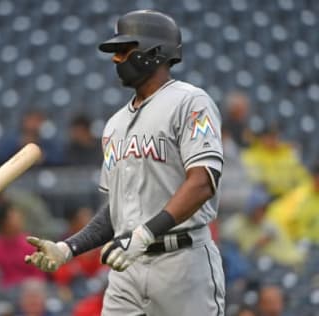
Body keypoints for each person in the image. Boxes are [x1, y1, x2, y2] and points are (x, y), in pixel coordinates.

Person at [25, 10, 225, 315]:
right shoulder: (114, 125)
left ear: (154, 52)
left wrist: (144, 234)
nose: (116, 59)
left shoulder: (190, 102)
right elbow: (117, 211)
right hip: (126, 266)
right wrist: (69, 248)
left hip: (182, 264)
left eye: (124, 50)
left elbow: (202, 182)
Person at [221, 187, 304, 267]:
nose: (262, 213)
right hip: (245, 269)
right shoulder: (234, 227)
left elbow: (289, 252)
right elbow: (235, 255)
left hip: (274, 267)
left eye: (264, 209)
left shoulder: (270, 226)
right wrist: (257, 246)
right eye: (259, 209)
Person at [0, 201, 45, 289]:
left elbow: (38, 274)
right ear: (4, 223)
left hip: (30, 289)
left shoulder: (30, 242)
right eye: (13, 217)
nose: (19, 219)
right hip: (5, 292)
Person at [242, 124, 309, 198]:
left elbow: (302, 176)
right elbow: (256, 179)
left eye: (274, 136)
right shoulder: (252, 154)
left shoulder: (288, 152)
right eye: (268, 137)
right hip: (266, 195)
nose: (272, 140)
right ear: (261, 138)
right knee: (258, 195)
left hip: (288, 195)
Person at [0, 110, 64, 166]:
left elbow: (60, 160)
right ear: (25, 121)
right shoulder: (11, 142)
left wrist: (43, 158)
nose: (34, 124)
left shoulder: (47, 144)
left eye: (38, 120)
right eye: (31, 120)